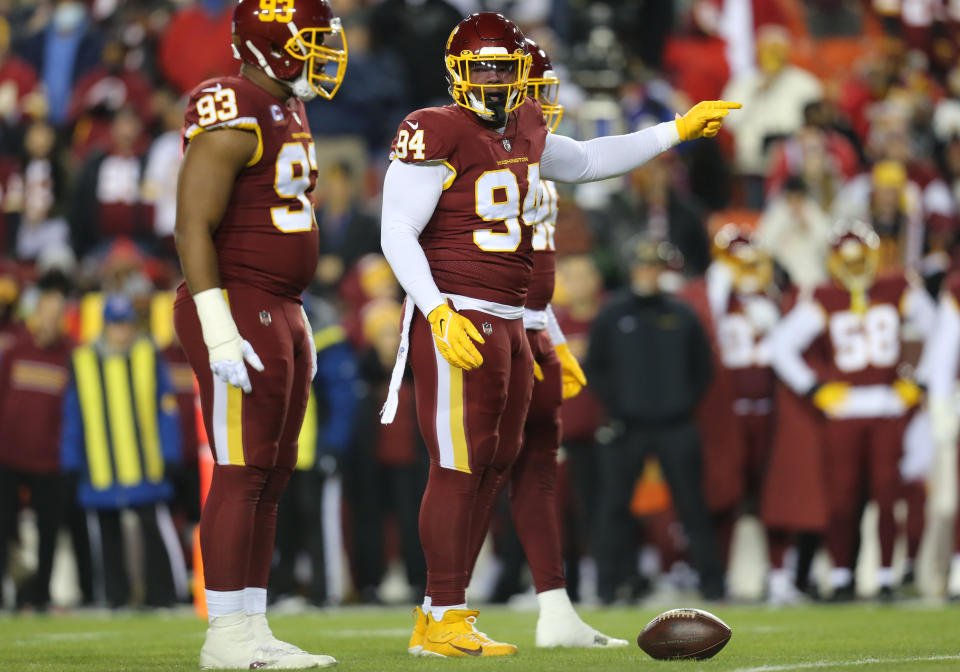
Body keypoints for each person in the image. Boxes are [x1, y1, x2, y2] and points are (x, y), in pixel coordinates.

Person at [378, 11, 738, 657]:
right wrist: (435, 310)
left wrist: (676, 130)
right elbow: (397, 231)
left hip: (515, 320)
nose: (493, 82)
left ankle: (447, 612)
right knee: (458, 466)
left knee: (491, 468)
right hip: (460, 311)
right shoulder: (430, 129)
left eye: (504, 70)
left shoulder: (525, 127)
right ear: (458, 74)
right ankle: (440, 617)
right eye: (482, 69)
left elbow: (593, 158)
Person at [170, 0, 347, 668]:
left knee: (271, 475)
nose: (325, 53)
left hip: (280, 305)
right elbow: (191, 226)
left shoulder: (285, 102)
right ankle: (225, 633)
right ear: (272, 43)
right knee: (243, 472)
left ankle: (253, 624)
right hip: (238, 304)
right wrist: (218, 329)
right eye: (313, 42)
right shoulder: (230, 104)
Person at [467, 37, 625, 648]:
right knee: (471, 474)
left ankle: (556, 611)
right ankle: (444, 605)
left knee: (536, 473)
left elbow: (534, 279)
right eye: (533, 89)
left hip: (530, 334)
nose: (544, 104)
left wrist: (553, 335)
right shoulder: (465, 148)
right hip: (478, 331)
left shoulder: (537, 166)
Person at [770, 220, 936, 600]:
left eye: (862, 259)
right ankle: (843, 575)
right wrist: (814, 388)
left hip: (886, 406)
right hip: (844, 411)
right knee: (842, 498)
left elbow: (938, 329)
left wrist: (920, 381)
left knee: (885, 493)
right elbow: (781, 346)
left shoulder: (897, 287)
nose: (856, 267)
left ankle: (883, 577)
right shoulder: (825, 298)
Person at [585, 238, 723, 603]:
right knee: (613, 507)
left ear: (662, 272)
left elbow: (703, 368)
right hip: (627, 426)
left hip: (675, 425)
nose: (648, 273)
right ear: (633, 271)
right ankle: (607, 587)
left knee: (692, 505)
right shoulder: (613, 314)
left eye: (654, 267)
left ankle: (713, 585)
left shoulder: (682, 314)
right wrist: (617, 406)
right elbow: (596, 367)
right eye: (643, 266)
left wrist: (681, 403)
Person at [60, 293, 187, 608]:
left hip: (145, 464)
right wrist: (70, 461)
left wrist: (171, 453)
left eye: (126, 323)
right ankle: (115, 596)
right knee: (107, 534)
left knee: (153, 531)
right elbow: (72, 416)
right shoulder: (83, 360)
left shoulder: (148, 355)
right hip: (101, 465)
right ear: (105, 326)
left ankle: (164, 594)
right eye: (116, 324)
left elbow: (165, 408)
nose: (122, 331)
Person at [0, 272, 74, 610]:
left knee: (49, 532)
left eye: (57, 316)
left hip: (50, 461)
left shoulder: (71, 356)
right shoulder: (16, 351)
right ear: (34, 317)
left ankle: (41, 595)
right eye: (45, 314)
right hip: (8, 457)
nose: (49, 322)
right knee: (3, 529)